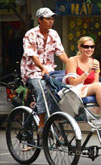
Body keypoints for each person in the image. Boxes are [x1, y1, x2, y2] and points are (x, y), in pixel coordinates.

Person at [20, 7, 68, 145]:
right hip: (32, 71)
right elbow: (33, 56)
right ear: (40, 20)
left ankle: (56, 119)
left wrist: (72, 64)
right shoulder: (30, 34)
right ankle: (41, 123)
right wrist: (42, 68)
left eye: (52, 19)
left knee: (63, 88)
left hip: (50, 71)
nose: (51, 21)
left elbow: (61, 53)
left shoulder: (54, 34)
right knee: (43, 89)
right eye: (48, 19)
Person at [63, 36, 101, 117]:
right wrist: (87, 71)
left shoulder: (95, 62)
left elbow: (95, 82)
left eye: (92, 47)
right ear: (79, 47)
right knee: (98, 87)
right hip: (75, 89)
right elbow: (73, 82)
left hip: (90, 88)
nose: (89, 49)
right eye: (86, 47)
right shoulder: (72, 60)